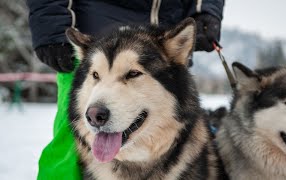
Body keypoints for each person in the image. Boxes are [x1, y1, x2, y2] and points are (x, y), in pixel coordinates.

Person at [26, 0, 224, 179]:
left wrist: (205, 9)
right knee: (66, 152)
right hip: (89, 28)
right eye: (96, 76)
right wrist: (50, 24)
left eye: (132, 74)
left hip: (166, 30)